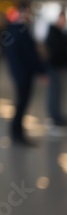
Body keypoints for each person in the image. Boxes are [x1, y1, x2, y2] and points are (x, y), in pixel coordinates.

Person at [3, 1, 46, 145]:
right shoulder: (21, 30)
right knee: (22, 104)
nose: (31, 15)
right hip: (24, 75)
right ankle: (17, 134)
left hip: (18, 73)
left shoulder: (11, 30)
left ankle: (17, 132)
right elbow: (30, 55)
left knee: (20, 104)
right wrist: (41, 71)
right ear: (23, 12)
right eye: (29, 12)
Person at [44, 7, 67, 135]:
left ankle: (58, 115)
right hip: (53, 67)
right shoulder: (53, 32)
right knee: (53, 93)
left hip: (61, 67)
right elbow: (54, 50)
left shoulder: (62, 33)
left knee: (59, 93)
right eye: (62, 19)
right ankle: (54, 117)